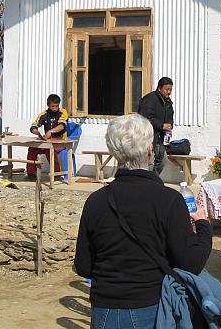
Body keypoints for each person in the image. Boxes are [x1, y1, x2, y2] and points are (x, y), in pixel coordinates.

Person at [75, 113, 212, 329]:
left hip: (104, 308)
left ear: (114, 152)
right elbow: (191, 262)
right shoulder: (169, 200)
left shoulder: (96, 201)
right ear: (150, 151)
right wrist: (203, 226)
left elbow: (83, 266)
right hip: (150, 306)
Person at [26, 93, 68, 179]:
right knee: (32, 149)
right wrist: (35, 131)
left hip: (60, 140)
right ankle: (31, 173)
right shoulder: (44, 114)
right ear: (48, 105)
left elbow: (62, 126)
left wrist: (51, 131)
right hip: (47, 140)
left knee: (49, 149)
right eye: (52, 106)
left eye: (56, 106)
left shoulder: (62, 112)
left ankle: (56, 173)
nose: (55, 108)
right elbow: (35, 125)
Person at [137, 77, 174, 175]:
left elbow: (170, 116)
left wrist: (169, 127)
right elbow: (145, 118)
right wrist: (162, 125)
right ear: (159, 88)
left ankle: (153, 179)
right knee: (148, 161)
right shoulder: (149, 99)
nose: (169, 92)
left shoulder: (168, 101)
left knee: (162, 160)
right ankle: (147, 181)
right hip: (147, 136)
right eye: (166, 89)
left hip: (160, 136)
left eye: (170, 89)